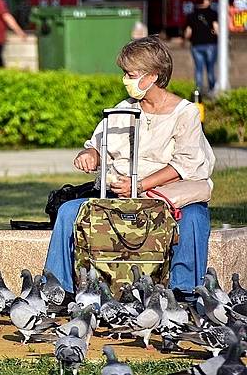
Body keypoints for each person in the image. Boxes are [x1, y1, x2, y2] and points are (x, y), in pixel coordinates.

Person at [44, 36, 215, 301]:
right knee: (68, 212)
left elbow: (185, 164)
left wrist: (140, 185)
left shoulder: (185, 113)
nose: (125, 79)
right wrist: (89, 155)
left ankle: (184, 293)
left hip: (166, 196)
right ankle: (58, 289)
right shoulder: (123, 110)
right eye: (124, 73)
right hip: (121, 193)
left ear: (154, 75)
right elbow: (98, 146)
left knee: (194, 218)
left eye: (131, 74)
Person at [184, 0, 219, 94]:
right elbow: (216, 28)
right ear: (205, 0)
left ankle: (198, 90)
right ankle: (212, 90)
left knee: (199, 68)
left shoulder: (191, 15)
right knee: (210, 68)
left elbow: (188, 32)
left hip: (196, 45)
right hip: (210, 44)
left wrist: (184, 40)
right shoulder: (212, 13)